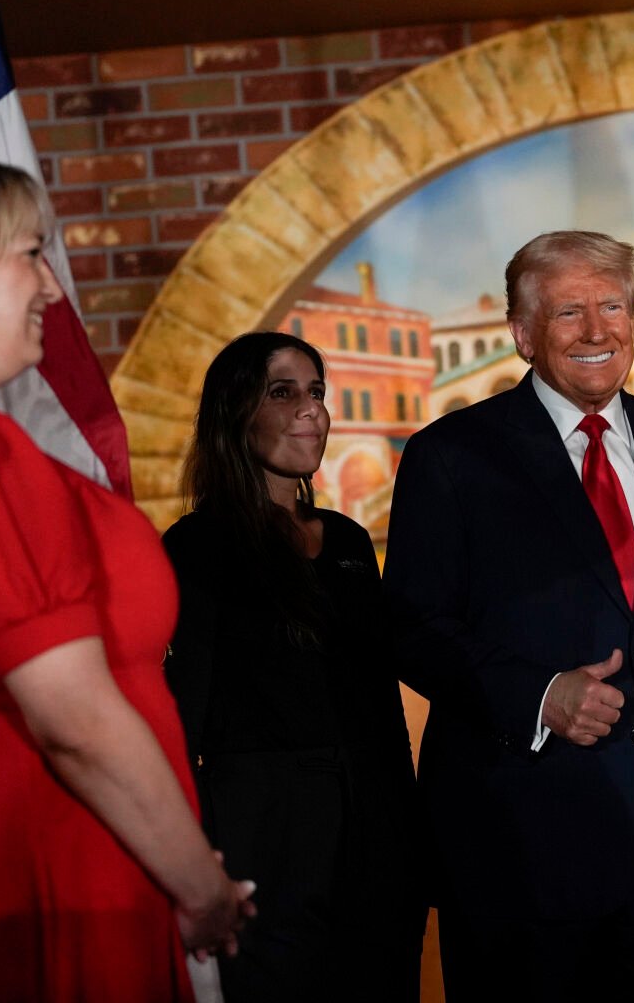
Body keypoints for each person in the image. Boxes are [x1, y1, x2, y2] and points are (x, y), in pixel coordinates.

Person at [0, 158, 253, 1002]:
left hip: (65, 870)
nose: (51, 288)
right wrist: (201, 889)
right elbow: (74, 716)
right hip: (39, 886)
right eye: (30, 252)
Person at [383, 230, 634, 1001]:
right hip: (518, 861)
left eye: (613, 306)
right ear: (522, 334)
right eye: (569, 311)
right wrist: (540, 695)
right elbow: (411, 627)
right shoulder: (450, 457)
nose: (597, 331)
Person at [162, 331, 425, 1000]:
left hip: (375, 841)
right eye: (283, 392)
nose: (311, 410)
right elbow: (183, 709)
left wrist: (407, 833)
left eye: (317, 393)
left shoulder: (347, 539)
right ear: (235, 412)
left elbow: (378, 700)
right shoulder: (196, 546)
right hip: (264, 846)